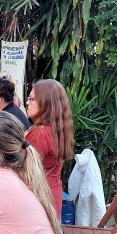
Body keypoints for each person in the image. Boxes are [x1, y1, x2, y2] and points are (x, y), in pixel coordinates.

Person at [25, 79, 74, 219]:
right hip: (53, 195)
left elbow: (25, 173)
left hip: (39, 200)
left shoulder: (40, 133)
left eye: (32, 99)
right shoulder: (58, 128)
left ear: (46, 103)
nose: (27, 102)